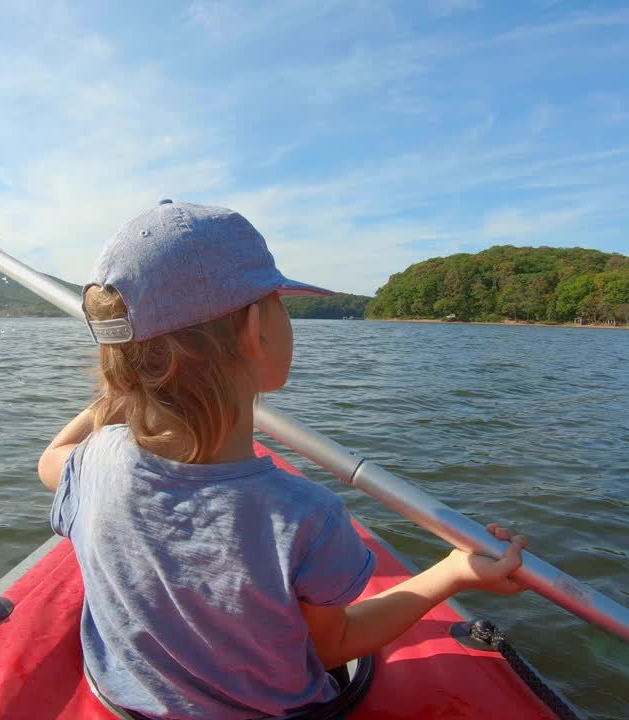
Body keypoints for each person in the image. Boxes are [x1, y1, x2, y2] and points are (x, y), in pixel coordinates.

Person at [37, 200, 529, 720]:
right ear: (255, 330)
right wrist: (451, 574)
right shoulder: (304, 515)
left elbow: (52, 459)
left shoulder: (95, 464)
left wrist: (118, 393)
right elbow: (331, 647)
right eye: (281, 304)